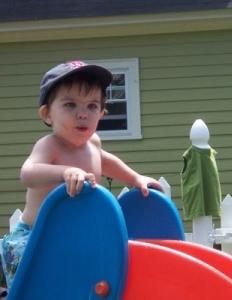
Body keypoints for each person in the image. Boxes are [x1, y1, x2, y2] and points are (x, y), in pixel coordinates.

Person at [1, 60, 163, 289]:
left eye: (92, 106)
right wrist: (65, 172)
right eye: (70, 105)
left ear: (102, 112)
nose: (83, 114)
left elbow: (107, 162)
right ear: (47, 114)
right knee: (36, 285)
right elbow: (28, 173)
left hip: (73, 239)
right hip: (34, 238)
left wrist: (135, 178)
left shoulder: (93, 144)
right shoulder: (50, 145)